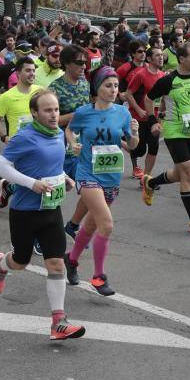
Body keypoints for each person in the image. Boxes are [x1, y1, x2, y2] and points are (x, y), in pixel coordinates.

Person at [0, 90, 85, 340]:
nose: (54, 115)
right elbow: (0, 166)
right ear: (35, 112)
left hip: (51, 209)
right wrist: (32, 184)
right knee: (20, 262)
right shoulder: (25, 137)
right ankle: (0, 264)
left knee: (56, 263)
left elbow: (51, 165)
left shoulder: (57, 135)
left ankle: (58, 322)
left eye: (55, 109)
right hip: (24, 211)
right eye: (47, 110)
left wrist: (64, 178)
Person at [63, 66, 138, 296]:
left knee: (91, 225)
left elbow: (130, 146)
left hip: (111, 175)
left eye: (116, 86)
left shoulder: (123, 113)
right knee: (106, 224)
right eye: (108, 85)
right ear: (97, 88)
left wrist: (135, 134)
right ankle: (98, 276)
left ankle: (71, 260)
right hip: (87, 174)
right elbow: (69, 130)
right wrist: (73, 143)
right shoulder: (84, 112)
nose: (114, 90)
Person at [142, 43, 190, 234]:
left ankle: (150, 182)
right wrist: (152, 121)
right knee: (188, 174)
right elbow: (148, 99)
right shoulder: (169, 80)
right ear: (181, 59)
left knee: (178, 174)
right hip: (174, 132)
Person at [48, 45, 92, 240]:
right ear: (66, 64)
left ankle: (72, 225)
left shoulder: (85, 84)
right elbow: (50, 120)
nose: (84, 66)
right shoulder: (54, 88)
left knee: (90, 190)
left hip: (82, 148)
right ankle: (45, 234)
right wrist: (75, 116)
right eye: (79, 63)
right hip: (59, 148)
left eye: (85, 62)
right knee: (53, 196)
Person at [125, 47, 165, 181]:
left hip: (154, 119)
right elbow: (128, 94)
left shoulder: (163, 75)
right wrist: (138, 109)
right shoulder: (141, 75)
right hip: (139, 118)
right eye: (157, 55)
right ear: (149, 59)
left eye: (161, 55)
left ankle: (146, 178)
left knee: (154, 147)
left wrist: (161, 114)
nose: (161, 57)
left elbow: (163, 97)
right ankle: (124, 143)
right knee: (140, 149)